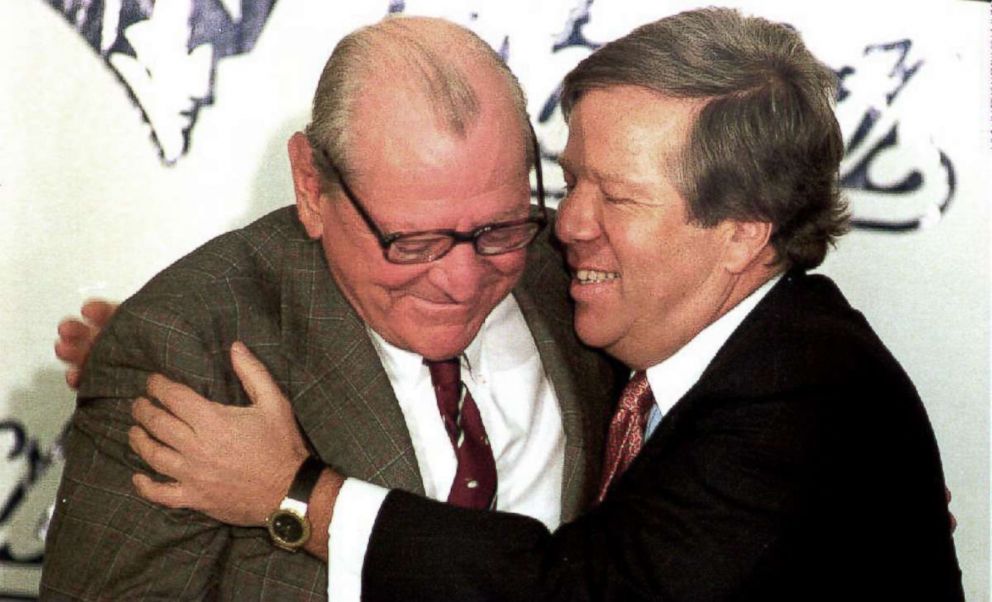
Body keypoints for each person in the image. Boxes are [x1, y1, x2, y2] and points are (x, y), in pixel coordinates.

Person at [90, 7, 964, 601]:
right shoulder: (647, 317)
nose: (566, 228)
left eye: (614, 198)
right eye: (567, 179)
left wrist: (297, 496)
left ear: (742, 231)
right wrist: (170, 334)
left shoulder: (806, 394)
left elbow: (572, 591)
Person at [41, 15, 624, 601]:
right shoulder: (185, 352)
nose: (462, 280)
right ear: (312, 187)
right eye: (413, 242)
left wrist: (294, 493)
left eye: (500, 229)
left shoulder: (583, 275)